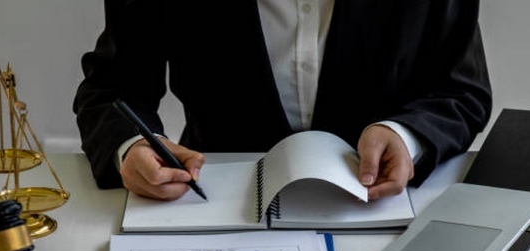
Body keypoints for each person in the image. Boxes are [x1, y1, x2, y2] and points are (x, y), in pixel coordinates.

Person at [73, 0, 492, 201]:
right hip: (212, 202)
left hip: (383, 209)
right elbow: (112, 89)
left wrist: (405, 135)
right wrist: (132, 147)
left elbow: (461, 90)